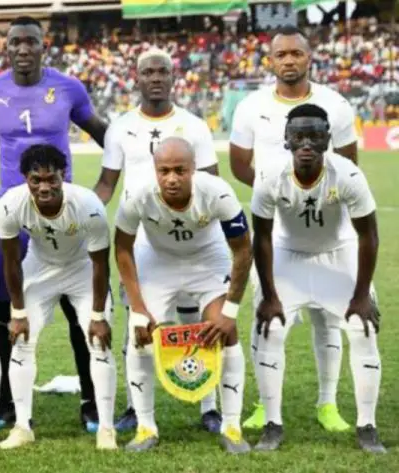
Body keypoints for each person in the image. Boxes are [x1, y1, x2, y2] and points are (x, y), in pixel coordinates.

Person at [0, 15, 108, 431]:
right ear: (6, 47)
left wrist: (105, 187)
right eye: (15, 42)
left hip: (63, 216)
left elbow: (105, 134)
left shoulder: (69, 88)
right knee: (7, 312)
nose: (23, 49)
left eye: (31, 41)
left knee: (77, 312)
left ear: (44, 46)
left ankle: (91, 403)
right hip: (13, 220)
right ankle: (6, 403)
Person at [230, 25, 359, 432]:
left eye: (296, 53)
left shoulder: (335, 104)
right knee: (267, 317)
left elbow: (350, 165)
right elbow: (239, 164)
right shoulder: (250, 106)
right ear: (270, 60)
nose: (289, 60)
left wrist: (313, 196)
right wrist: (277, 194)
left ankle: (328, 404)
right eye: (281, 54)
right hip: (276, 231)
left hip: (327, 230)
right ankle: (263, 405)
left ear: (309, 57)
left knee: (328, 319)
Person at [93, 47, 222, 433]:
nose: (155, 78)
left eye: (162, 71)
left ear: (173, 77)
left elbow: (212, 182)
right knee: (139, 321)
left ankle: (209, 407)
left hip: (190, 239)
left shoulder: (194, 126)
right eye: (148, 72)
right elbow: (106, 184)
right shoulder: (120, 128)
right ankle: (135, 407)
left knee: (198, 320)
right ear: (136, 78)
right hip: (142, 240)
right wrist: (86, 212)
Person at [250, 104, 385, 454]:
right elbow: (261, 237)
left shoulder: (348, 175)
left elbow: (368, 236)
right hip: (288, 255)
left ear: (328, 139)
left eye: (314, 136)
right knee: (271, 328)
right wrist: (270, 296)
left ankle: (367, 426)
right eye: (299, 136)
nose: (306, 144)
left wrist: (361, 296)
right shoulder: (270, 175)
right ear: (287, 140)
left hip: (337, 253)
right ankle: (272, 424)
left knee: (363, 327)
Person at [115, 137, 253, 454]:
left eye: (180, 170)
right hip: (157, 259)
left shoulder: (217, 192)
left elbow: (243, 251)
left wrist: (230, 312)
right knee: (140, 333)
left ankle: (232, 427)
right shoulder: (137, 194)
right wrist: (138, 308)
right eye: (164, 171)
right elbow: (122, 248)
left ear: (193, 169)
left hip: (207, 259)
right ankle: (145, 427)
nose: (172, 178)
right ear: (155, 170)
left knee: (225, 330)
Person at [0, 144, 117, 450]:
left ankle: (106, 429)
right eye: (36, 180)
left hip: (82, 269)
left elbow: (101, 263)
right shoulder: (10, 204)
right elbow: (11, 261)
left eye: (52, 179)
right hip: (39, 267)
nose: (44, 187)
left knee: (98, 343)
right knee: (21, 341)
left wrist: (98, 316)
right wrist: (17, 313)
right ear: (25, 178)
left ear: (64, 175)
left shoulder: (88, 204)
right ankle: (22, 427)